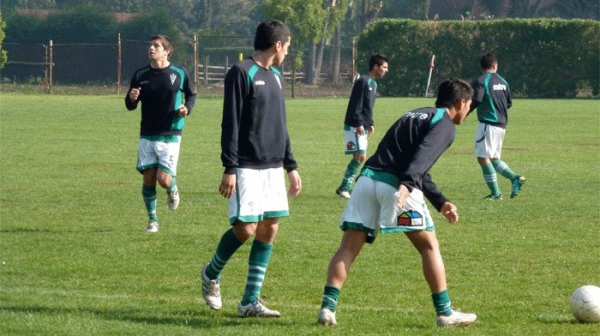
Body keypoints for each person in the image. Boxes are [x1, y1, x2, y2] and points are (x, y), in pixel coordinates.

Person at [318, 78, 477, 328]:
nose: (469, 111)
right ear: (461, 102)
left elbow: (409, 158)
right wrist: (406, 186)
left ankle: (327, 307)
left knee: (348, 247)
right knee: (429, 246)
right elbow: (421, 159)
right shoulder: (445, 124)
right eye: (469, 106)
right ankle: (445, 312)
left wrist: (440, 200)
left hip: (366, 181)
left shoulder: (415, 113)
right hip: (396, 186)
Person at [200, 20, 302, 318]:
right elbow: (230, 121)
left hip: (272, 166)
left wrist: (291, 166)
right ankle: (210, 273)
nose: (287, 52)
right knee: (245, 229)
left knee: (269, 228)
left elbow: (281, 125)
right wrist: (229, 167)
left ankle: (249, 301)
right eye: (287, 46)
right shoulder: (241, 72)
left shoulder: (277, 76)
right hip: (245, 166)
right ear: (277, 45)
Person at [125, 35, 196, 233]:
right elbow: (130, 105)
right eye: (150, 45)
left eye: (156, 46)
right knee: (148, 178)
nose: (151, 48)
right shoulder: (140, 74)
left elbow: (191, 95)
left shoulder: (179, 73)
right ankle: (152, 220)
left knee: (163, 179)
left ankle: (172, 189)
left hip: (171, 132)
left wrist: (186, 109)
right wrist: (131, 98)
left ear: (167, 51)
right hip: (147, 133)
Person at [470, 53, 525, 200]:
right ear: (495, 66)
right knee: (493, 158)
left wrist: (465, 112)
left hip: (488, 124)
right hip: (501, 125)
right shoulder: (503, 81)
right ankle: (515, 178)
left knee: (482, 157)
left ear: (482, 67)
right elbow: (509, 103)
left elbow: (477, 99)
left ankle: (496, 193)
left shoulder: (481, 80)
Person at [335, 53, 389, 199]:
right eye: (384, 67)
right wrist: (359, 123)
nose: (386, 70)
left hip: (363, 126)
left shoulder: (373, 84)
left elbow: (367, 107)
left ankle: (345, 187)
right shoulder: (363, 82)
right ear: (375, 66)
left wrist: (370, 123)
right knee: (360, 156)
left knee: (360, 156)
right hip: (354, 125)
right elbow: (355, 105)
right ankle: (345, 187)